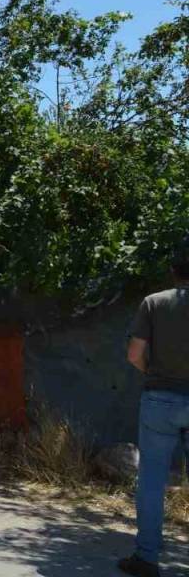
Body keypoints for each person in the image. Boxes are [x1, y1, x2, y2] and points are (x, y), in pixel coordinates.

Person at [119, 238, 189, 577]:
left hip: (159, 398)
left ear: (175, 270)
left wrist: (156, 374)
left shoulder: (154, 303)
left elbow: (134, 354)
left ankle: (147, 557)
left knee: (151, 481)